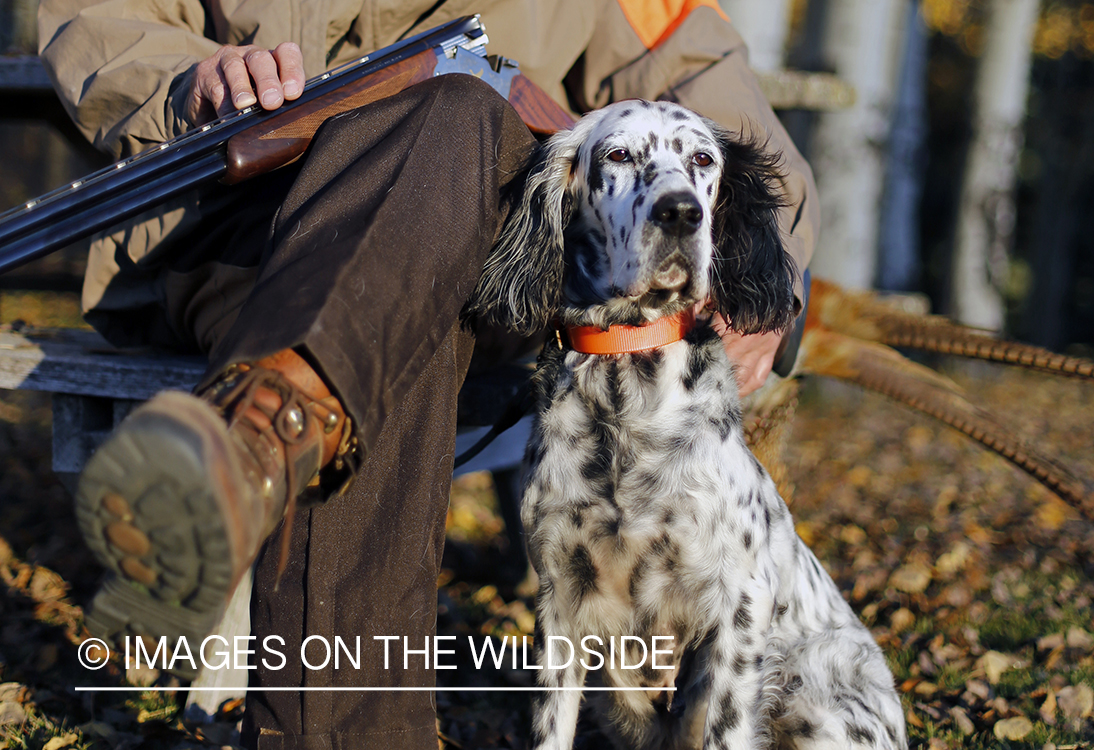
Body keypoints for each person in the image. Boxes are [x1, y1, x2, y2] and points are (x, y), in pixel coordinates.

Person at [37, 1, 819, 747]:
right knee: (395, 297)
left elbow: (711, 89)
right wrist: (189, 78)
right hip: (247, 233)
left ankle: (262, 434)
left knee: (459, 118)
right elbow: (96, 15)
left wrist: (766, 266)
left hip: (496, 266)